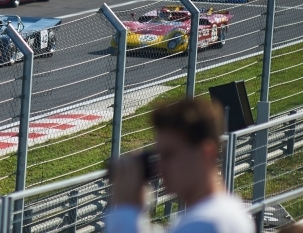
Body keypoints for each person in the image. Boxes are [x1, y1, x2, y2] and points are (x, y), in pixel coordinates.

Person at [106, 98, 254, 233]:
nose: (160, 167)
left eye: (169, 155)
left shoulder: (208, 223)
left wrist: (125, 210)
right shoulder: (222, 215)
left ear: (206, 153)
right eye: (158, 156)